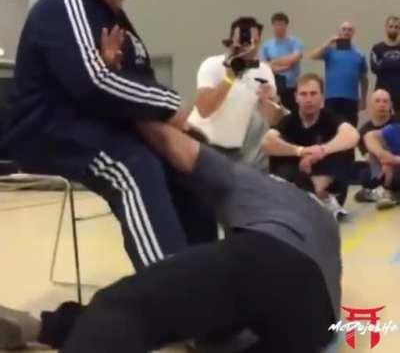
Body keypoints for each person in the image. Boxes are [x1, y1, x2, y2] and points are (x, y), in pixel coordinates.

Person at [0, 122, 340, 353]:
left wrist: (127, 109)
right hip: (316, 326)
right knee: (189, 317)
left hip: (271, 256)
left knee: (124, 305)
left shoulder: (249, 180)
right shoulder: (326, 219)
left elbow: (184, 151)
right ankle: (48, 327)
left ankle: (41, 327)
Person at [0, 0, 217, 272]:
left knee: (188, 163)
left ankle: (208, 274)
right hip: (46, 130)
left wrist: (173, 128)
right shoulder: (65, 3)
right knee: (133, 165)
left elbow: (135, 77)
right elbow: (95, 83)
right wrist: (172, 106)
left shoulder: (112, 16)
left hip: (93, 123)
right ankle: (173, 287)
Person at [189, 16, 284, 172]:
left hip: (238, 150)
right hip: (206, 145)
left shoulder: (264, 71)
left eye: (255, 42)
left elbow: (272, 119)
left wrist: (271, 101)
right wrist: (230, 76)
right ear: (232, 41)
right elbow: (204, 109)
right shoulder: (212, 65)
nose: (250, 47)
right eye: (245, 42)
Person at [263, 73, 359, 217]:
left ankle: (322, 197)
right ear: (296, 97)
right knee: (280, 154)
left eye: (313, 94)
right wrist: (301, 151)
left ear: (322, 97)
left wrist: (321, 151)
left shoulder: (330, 118)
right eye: (303, 94)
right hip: (300, 177)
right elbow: (267, 142)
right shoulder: (289, 121)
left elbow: (352, 135)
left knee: (343, 149)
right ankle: (308, 200)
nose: (308, 99)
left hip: (328, 183)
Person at [309, 21, 368, 127]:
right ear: (339, 32)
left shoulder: (359, 54)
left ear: (353, 33)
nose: (346, 32)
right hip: (331, 98)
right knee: (330, 129)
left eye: (349, 30)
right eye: (344, 29)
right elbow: (312, 56)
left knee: (350, 129)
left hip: (351, 99)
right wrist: (328, 42)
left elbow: (364, 78)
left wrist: (363, 99)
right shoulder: (329, 51)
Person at [354, 89, 398, 203]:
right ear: (371, 105)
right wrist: (383, 161)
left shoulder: (397, 124)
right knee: (365, 176)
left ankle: (383, 192)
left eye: (385, 101)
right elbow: (368, 157)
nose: (381, 105)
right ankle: (388, 192)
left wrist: (391, 162)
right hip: (379, 166)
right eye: (377, 101)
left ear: (391, 105)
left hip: (397, 163)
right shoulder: (363, 131)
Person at [261, 12, 303, 112]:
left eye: (281, 24)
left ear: (286, 26)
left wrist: (273, 62)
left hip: (291, 86)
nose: (279, 27)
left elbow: (294, 58)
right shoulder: (267, 45)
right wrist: (281, 67)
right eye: (276, 24)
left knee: (292, 113)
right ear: (273, 26)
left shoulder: (295, 42)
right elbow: (264, 65)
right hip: (275, 86)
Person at [364, 122, 400, 209]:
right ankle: (386, 190)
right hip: (391, 171)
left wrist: (394, 160)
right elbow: (369, 136)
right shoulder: (395, 129)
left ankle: (385, 191)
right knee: (366, 176)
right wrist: (382, 155)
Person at [370, 16, 400, 118]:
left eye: (396, 27)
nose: (394, 29)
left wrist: (385, 62)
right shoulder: (377, 48)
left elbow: (381, 66)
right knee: (382, 123)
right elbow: (374, 68)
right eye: (391, 26)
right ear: (386, 28)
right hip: (382, 95)